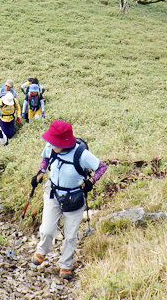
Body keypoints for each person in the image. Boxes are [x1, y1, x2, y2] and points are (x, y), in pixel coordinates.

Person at [31, 120, 107, 280]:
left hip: (74, 197)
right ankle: (42, 250)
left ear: (64, 143)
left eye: (54, 142)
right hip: (52, 193)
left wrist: (91, 182)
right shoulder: (50, 146)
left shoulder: (82, 154)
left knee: (70, 235)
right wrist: (40, 173)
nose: (50, 145)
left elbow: (102, 167)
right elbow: (45, 158)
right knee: (46, 229)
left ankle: (65, 264)